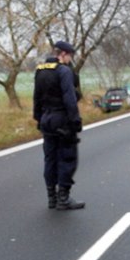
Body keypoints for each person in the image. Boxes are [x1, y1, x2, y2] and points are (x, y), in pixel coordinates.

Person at [33, 41, 85, 210]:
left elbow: (36, 98)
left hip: (46, 119)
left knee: (50, 158)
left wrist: (38, 118)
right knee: (67, 157)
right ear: (63, 54)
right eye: (70, 56)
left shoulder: (40, 70)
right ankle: (64, 197)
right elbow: (70, 98)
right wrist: (75, 121)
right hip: (61, 119)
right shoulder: (63, 71)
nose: (70, 59)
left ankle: (52, 198)